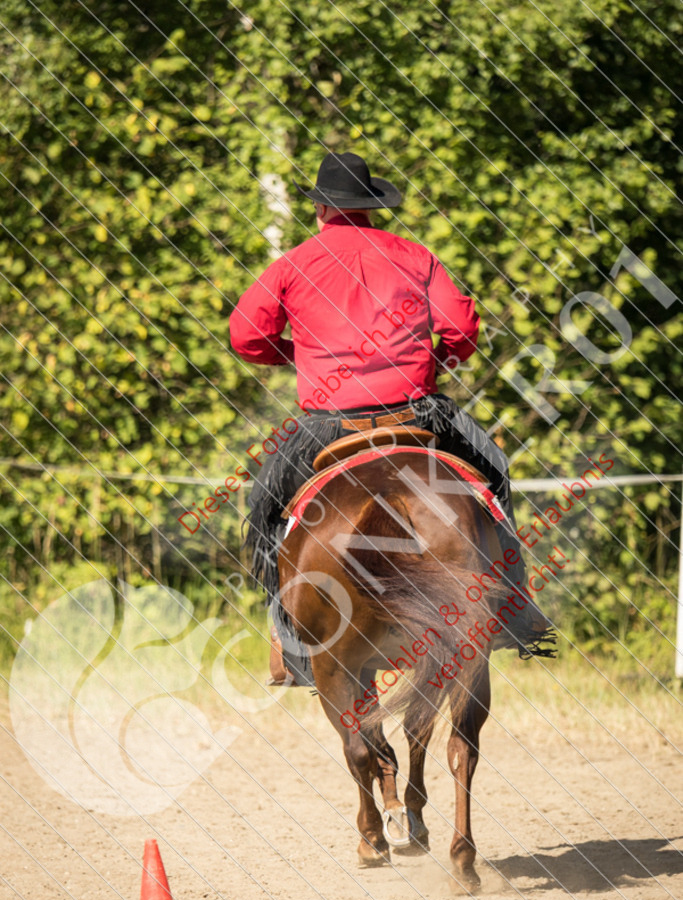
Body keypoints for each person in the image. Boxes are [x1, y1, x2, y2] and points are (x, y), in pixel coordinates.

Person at [229, 152, 553, 683]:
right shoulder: (415, 256)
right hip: (417, 411)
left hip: (330, 422)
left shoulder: (291, 265)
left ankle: (291, 641)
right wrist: (432, 361)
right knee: (494, 475)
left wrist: (295, 355)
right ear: (373, 206)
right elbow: (462, 329)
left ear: (319, 210)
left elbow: (245, 336)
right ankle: (516, 608)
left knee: (265, 511)